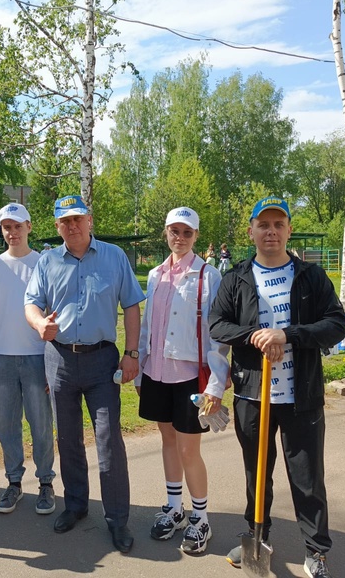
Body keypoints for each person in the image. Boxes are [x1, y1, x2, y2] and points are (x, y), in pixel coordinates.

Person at [208, 196, 345, 578]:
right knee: (257, 473)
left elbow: (336, 323)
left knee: (307, 478)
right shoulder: (235, 278)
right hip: (253, 397)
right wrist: (255, 336)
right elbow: (218, 325)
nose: (271, 231)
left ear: (287, 230)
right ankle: (256, 536)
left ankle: (316, 551)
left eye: (278, 224)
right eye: (263, 224)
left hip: (301, 398)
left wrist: (286, 335)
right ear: (251, 231)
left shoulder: (310, 276)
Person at [24, 194, 145, 554]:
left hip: (102, 361)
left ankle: (117, 519)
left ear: (89, 220)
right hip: (59, 359)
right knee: (69, 439)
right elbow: (31, 303)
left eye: (78, 218)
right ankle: (75, 505)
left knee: (108, 440)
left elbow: (132, 306)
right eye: (65, 221)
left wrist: (132, 353)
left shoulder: (114, 257)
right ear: (58, 225)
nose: (72, 225)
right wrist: (38, 323)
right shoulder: (47, 261)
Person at [136, 207, 230, 555]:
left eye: (187, 232)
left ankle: (200, 517)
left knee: (189, 448)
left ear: (196, 237)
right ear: (166, 233)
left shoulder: (208, 275)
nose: (180, 237)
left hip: (192, 377)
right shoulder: (155, 274)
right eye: (174, 231)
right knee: (167, 440)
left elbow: (216, 335)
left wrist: (215, 385)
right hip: (158, 373)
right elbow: (148, 325)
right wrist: (143, 367)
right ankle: (174, 508)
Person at [0, 203, 56, 515]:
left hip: (37, 357)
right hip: (3, 359)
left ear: (29, 226)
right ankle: (13, 482)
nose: (12, 232)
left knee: (41, 425)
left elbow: (52, 316)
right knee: (6, 425)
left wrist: (52, 364)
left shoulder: (44, 263)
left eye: (17, 226)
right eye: (6, 227)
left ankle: (46, 483)